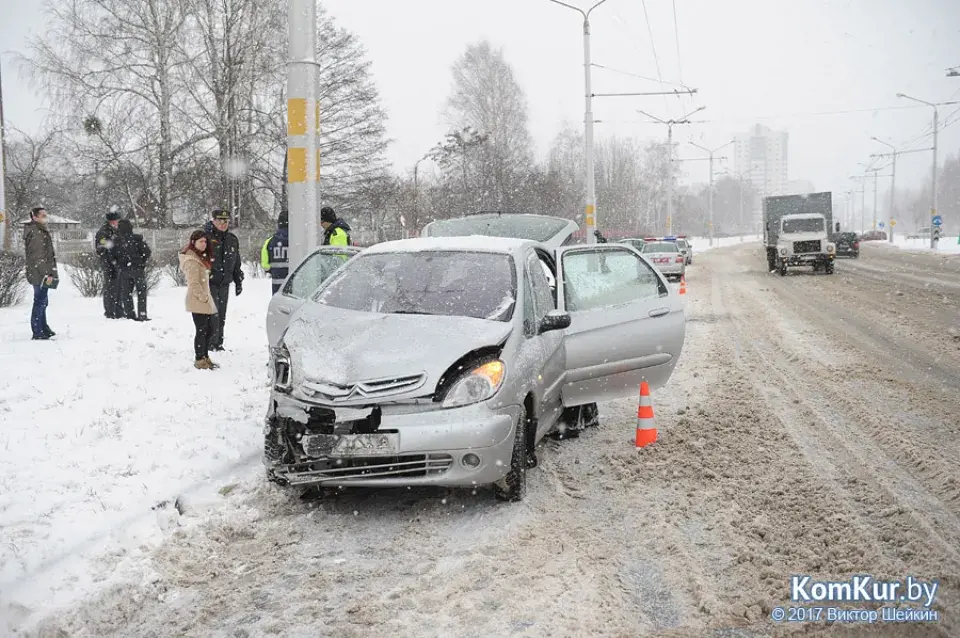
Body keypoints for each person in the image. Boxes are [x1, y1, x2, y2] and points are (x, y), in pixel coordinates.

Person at [204, 209, 244, 351]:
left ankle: (218, 343)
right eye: (220, 220)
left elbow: (236, 262)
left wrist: (238, 280)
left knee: (221, 314)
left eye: (226, 221)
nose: (223, 224)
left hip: (224, 282)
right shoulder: (205, 238)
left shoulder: (232, 239)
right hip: (209, 282)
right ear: (213, 221)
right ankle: (210, 344)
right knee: (212, 313)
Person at [179, 230, 219, 370]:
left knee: (210, 329)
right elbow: (193, 283)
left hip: (204, 299)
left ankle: (205, 355)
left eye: (205, 241)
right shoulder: (192, 260)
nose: (204, 244)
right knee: (202, 330)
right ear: (193, 242)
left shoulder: (200, 257)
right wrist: (204, 297)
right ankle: (199, 358)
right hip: (197, 300)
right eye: (200, 241)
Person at [24, 207, 59, 341]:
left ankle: (43, 327)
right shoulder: (37, 232)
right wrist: (48, 274)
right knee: (40, 301)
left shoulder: (39, 230)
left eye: (46, 215)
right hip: (40, 273)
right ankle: (37, 330)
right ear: (35, 217)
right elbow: (39, 257)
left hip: (39, 272)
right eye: (43, 215)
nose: (45, 217)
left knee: (43, 300)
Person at [114, 219, 153, 321]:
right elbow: (147, 252)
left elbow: (112, 256)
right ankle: (142, 314)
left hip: (124, 271)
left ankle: (130, 314)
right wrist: (141, 261)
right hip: (137, 269)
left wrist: (119, 264)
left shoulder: (117, 242)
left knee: (126, 294)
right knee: (141, 292)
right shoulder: (137, 239)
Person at [95, 210, 122, 318]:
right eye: (117, 220)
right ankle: (110, 311)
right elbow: (101, 248)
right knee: (110, 287)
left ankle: (118, 310)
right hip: (108, 264)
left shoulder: (116, 230)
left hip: (117, 263)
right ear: (112, 221)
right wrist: (111, 257)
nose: (118, 222)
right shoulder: (103, 232)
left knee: (118, 287)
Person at [261, 210, 289, 295]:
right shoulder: (297, 241)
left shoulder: (270, 241)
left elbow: (265, 266)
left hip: (277, 285)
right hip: (294, 284)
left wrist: (275, 270)